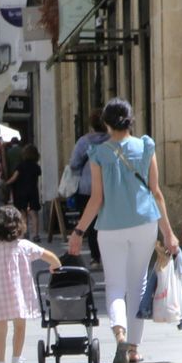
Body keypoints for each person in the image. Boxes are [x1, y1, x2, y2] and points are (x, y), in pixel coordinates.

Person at [67, 97, 178, 363]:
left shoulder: (99, 153)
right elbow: (156, 192)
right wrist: (169, 233)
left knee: (115, 285)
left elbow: (96, 199)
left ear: (106, 123)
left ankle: (119, 334)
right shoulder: (145, 146)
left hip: (109, 227)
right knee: (137, 284)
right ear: (130, 120)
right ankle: (133, 349)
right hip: (144, 223)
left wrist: (79, 231)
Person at [0, 206, 61, 363]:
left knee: (0, 330)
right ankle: (17, 360)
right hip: (19, 294)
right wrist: (55, 267)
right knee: (19, 326)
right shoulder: (24, 246)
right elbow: (50, 257)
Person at [68, 112, 109, 268]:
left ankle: (95, 258)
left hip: (87, 187)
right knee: (108, 223)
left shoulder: (84, 142)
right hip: (109, 188)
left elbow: (74, 164)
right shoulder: (112, 140)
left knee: (91, 224)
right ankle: (108, 256)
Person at [4, 144, 43, 240]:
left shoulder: (20, 166)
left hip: (21, 192)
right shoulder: (36, 166)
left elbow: (14, 178)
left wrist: (6, 183)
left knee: (23, 213)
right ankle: (36, 234)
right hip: (33, 191)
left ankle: (24, 233)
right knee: (34, 213)